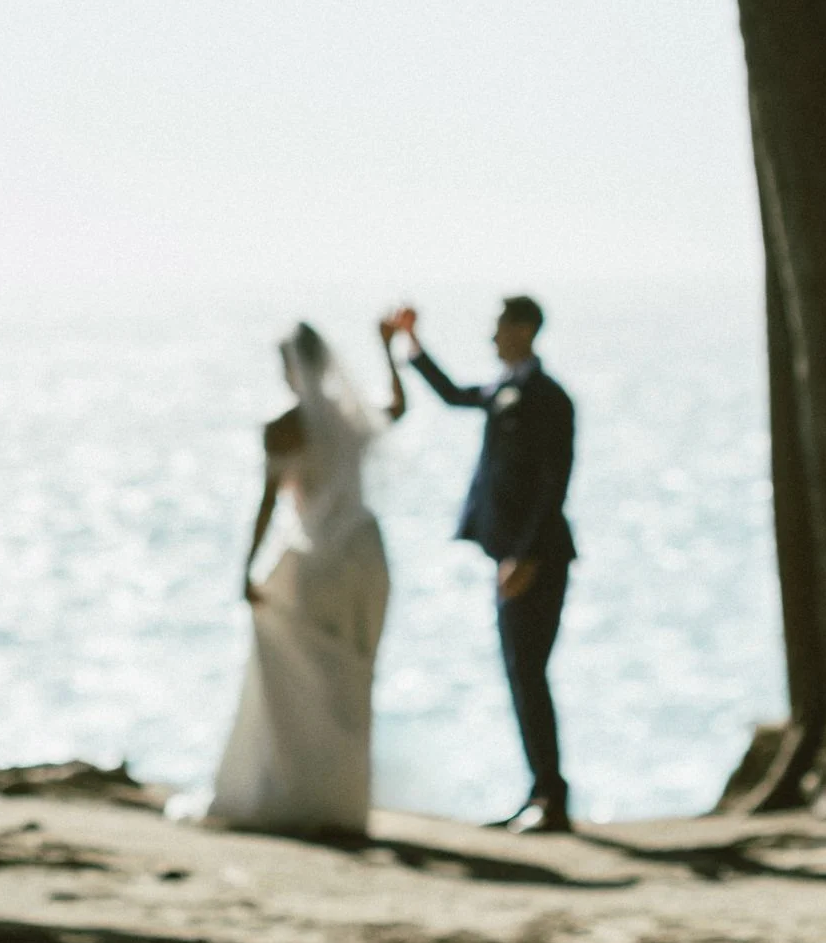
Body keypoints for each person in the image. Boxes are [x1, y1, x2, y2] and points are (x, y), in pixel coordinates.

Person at [195, 321, 407, 835]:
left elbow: (268, 502)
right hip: (365, 553)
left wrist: (246, 567)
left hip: (315, 563)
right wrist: (386, 347)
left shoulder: (283, 426)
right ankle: (342, 803)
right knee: (351, 680)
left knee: (298, 678)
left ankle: (299, 791)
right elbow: (398, 407)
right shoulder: (350, 416)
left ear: (291, 367)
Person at [388, 296, 576, 832]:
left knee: (528, 671)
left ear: (522, 329)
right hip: (510, 555)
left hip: (536, 558)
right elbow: (452, 395)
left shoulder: (547, 397)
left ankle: (551, 798)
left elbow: (553, 482)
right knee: (521, 673)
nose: (490, 336)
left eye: (497, 326)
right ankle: (541, 792)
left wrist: (526, 553)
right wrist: (411, 343)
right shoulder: (503, 388)